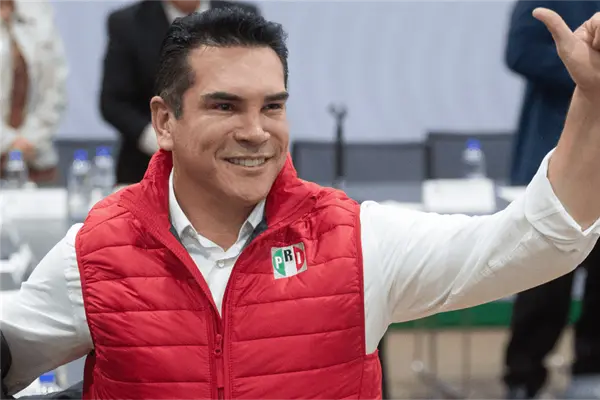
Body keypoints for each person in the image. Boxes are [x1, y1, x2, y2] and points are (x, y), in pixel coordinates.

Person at [2, 6, 600, 399]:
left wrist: (592, 101)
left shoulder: (355, 243)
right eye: (224, 106)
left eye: (272, 106)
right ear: (164, 121)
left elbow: (538, 241)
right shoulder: (95, 253)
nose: (255, 131)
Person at [503, 0, 600, 398]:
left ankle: (591, 374)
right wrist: (584, 67)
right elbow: (520, 53)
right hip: (554, 151)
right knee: (544, 276)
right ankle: (524, 379)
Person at [99, 0, 259, 185]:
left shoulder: (241, 17)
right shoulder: (127, 22)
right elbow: (113, 102)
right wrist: (160, 139)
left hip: (232, 162)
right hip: (147, 167)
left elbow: (255, 89)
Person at [0, 0, 67, 183]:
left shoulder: (37, 8)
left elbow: (55, 87)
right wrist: (8, 141)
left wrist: (29, 139)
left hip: (36, 158)